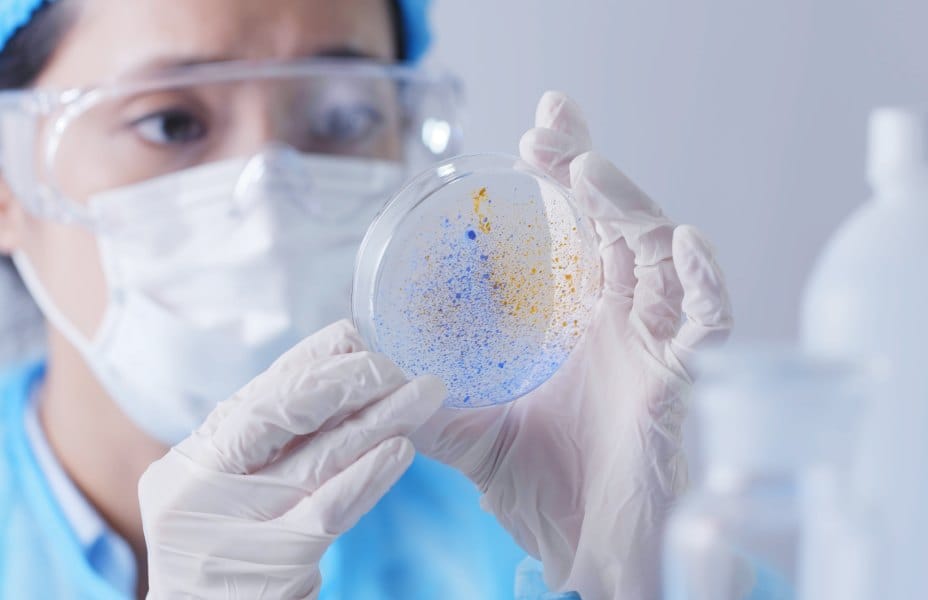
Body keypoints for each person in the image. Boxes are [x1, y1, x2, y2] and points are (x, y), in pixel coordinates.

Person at [0, 0, 733, 598]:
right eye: (170, 123)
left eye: (345, 118)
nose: (269, 203)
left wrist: (630, 579)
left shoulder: (506, 518)